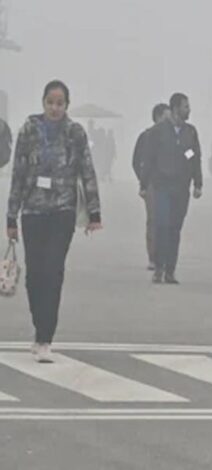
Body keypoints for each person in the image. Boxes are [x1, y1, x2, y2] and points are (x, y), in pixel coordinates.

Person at [5, 80, 102, 363]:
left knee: (53, 270)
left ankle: (45, 337)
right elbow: (18, 173)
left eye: (60, 103)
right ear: (43, 103)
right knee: (35, 275)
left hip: (62, 210)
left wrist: (94, 212)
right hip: (33, 211)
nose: (54, 108)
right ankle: (39, 326)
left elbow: (87, 170)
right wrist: (11, 216)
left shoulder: (75, 133)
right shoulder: (28, 131)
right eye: (50, 102)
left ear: (66, 105)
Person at [140, 93, 202, 284]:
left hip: (181, 188)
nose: (188, 110)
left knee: (175, 228)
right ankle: (158, 268)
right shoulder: (158, 132)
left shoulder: (190, 133)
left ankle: (170, 270)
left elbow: (195, 157)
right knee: (162, 226)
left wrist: (198, 183)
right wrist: (144, 184)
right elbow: (149, 159)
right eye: (185, 106)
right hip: (162, 187)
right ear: (176, 109)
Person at [132, 103, 170, 271]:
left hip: (171, 185)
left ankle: (167, 256)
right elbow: (136, 161)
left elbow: (188, 152)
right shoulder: (146, 137)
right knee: (153, 220)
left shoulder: (176, 135)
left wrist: (190, 160)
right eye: (166, 117)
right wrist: (143, 181)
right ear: (157, 117)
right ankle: (153, 257)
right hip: (153, 185)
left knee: (169, 221)